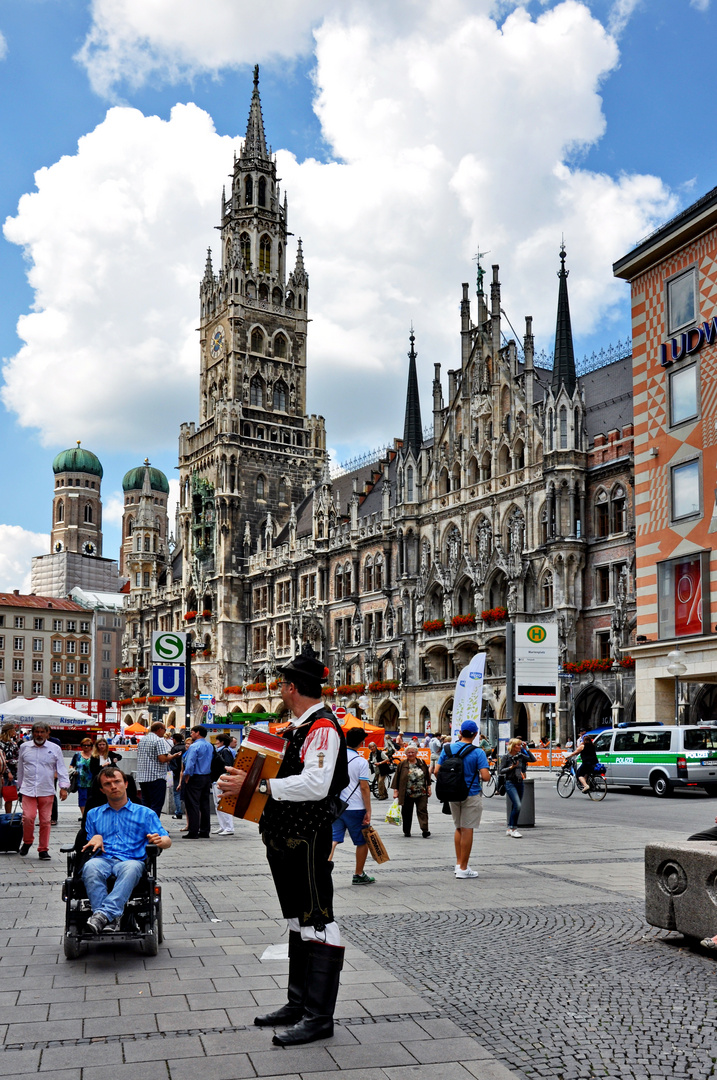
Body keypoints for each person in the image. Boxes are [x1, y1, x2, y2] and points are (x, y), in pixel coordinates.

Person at [217, 646, 349, 1046]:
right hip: (284, 838)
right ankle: (298, 1003)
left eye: (280, 686)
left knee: (318, 920)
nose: (279, 691)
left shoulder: (322, 727)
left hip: (307, 839)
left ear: (291, 688)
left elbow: (317, 784)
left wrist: (255, 785)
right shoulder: (299, 727)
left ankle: (318, 1016)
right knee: (296, 919)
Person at [82, 766, 171, 933]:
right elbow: (90, 840)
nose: (113, 786)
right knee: (90, 867)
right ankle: (110, 918)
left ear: (126, 783)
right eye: (107, 784)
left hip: (132, 859)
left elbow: (166, 840)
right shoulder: (93, 814)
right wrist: (96, 837)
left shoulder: (145, 813)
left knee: (131, 868)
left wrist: (160, 841)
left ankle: (102, 915)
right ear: (102, 790)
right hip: (104, 859)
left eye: (117, 781)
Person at [435, 720, 490, 879]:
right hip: (470, 793)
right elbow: (485, 777)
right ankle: (464, 869)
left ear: (460, 733)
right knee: (468, 828)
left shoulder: (448, 748)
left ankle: (459, 864)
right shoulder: (478, 752)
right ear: (474, 735)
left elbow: (437, 771)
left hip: (452, 792)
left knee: (458, 827)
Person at [17, 722, 70, 859]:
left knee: (45, 821)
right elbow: (20, 769)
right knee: (28, 818)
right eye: (37, 732)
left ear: (47, 733)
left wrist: (64, 787)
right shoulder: (24, 747)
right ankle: (27, 841)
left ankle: (43, 849)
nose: (39, 734)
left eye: (42, 732)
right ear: (32, 733)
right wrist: (19, 786)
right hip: (28, 789)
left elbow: (61, 768)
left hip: (46, 789)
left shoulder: (55, 748)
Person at [330, 726, 374, 884]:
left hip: (337, 806)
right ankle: (358, 874)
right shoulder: (361, 762)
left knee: (333, 839)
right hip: (356, 808)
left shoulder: (336, 757)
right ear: (362, 742)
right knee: (362, 842)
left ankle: (323, 869)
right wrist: (368, 810)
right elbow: (364, 787)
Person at [135, 722, 178, 816]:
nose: (165, 732)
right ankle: (153, 826)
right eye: (164, 730)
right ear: (159, 729)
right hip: (156, 776)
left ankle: (145, 826)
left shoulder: (142, 740)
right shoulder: (158, 740)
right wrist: (173, 757)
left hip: (143, 777)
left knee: (146, 804)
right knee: (156, 805)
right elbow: (162, 759)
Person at [392, 743, 432, 838]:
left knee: (422, 810)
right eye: (408, 752)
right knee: (406, 812)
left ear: (416, 753)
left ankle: (425, 830)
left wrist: (429, 788)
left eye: (412, 752)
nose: (410, 754)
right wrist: (395, 791)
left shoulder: (422, 763)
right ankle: (407, 831)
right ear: (406, 754)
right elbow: (396, 778)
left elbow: (427, 777)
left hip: (421, 792)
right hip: (407, 793)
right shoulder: (402, 764)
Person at [499, 737, 536, 838]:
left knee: (515, 806)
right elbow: (500, 770)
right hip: (510, 782)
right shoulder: (506, 757)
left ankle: (510, 828)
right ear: (513, 746)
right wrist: (511, 767)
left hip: (520, 782)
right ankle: (513, 828)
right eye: (518, 745)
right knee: (518, 805)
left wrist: (527, 749)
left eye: (520, 745)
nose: (520, 747)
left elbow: (533, 759)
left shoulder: (520, 756)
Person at [182, 725, 214, 838]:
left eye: (192, 732)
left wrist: (187, 775)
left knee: (192, 804)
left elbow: (190, 762)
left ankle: (193, 831)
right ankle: (205, 830)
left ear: (198, 733)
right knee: (204, 804)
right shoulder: (210, 746)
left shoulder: (194, 746)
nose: (191, 734)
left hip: (195, 776)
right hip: (206, 776)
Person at [212, 733, 236, 836]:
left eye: (217, 740)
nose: (216, 742)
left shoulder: (225, 752)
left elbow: (228, 766)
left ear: (222, 742)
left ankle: (229, 827)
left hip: (222, 779)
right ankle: (223, 826)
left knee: (223, 803)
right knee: (218, 803)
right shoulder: (221, 751)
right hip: (217, 779)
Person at [70, 738, 95, 818]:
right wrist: (73, 771)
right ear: (81, 746)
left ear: (91, 746)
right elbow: (71, 765)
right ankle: (84, 816)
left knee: (92, 799)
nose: (86, 747)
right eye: (84, 745)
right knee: (82, 799)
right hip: (81, 781)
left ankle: (90, 816)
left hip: (93, 781)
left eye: (88, 745)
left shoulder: (95, 755)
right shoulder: (77, 755)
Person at [1, 721, 20, 812]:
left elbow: (18, 758)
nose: (15, 733)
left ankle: (7, 816)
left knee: (9, 796)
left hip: (12, 773)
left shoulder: (13, 744)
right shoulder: (1, 744)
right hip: (2, 772)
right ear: (9, 731)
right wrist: (7, 770)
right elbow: (1, 760)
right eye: (14, 730)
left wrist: (10, 761)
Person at [168, 732, 185, 818]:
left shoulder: (174, 748)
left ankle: (178, 811)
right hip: (185, 773)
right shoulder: (186, 747)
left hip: (176, 773)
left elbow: (172, 762)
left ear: (174, 740)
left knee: (176, 792)